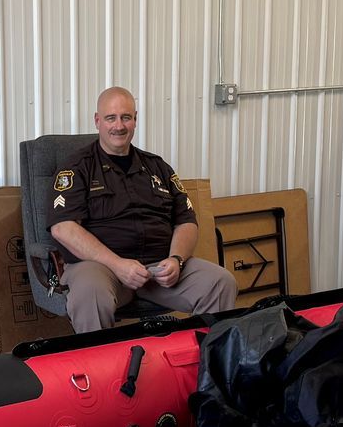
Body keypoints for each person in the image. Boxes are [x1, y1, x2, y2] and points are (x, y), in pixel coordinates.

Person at [46, 86, 239, 332]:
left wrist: (177, 259)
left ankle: (206, 355)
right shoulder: (76, 168)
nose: (119, 126)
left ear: (135, 119)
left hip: (159, 270)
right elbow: (63, 228)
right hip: (102, 268)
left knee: (221, 282)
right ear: (97, 121)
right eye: (110, 118)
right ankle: (104, 359)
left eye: (126, 117)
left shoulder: (158, 167)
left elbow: (186, 221)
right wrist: (118, 265)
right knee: (89, 293)